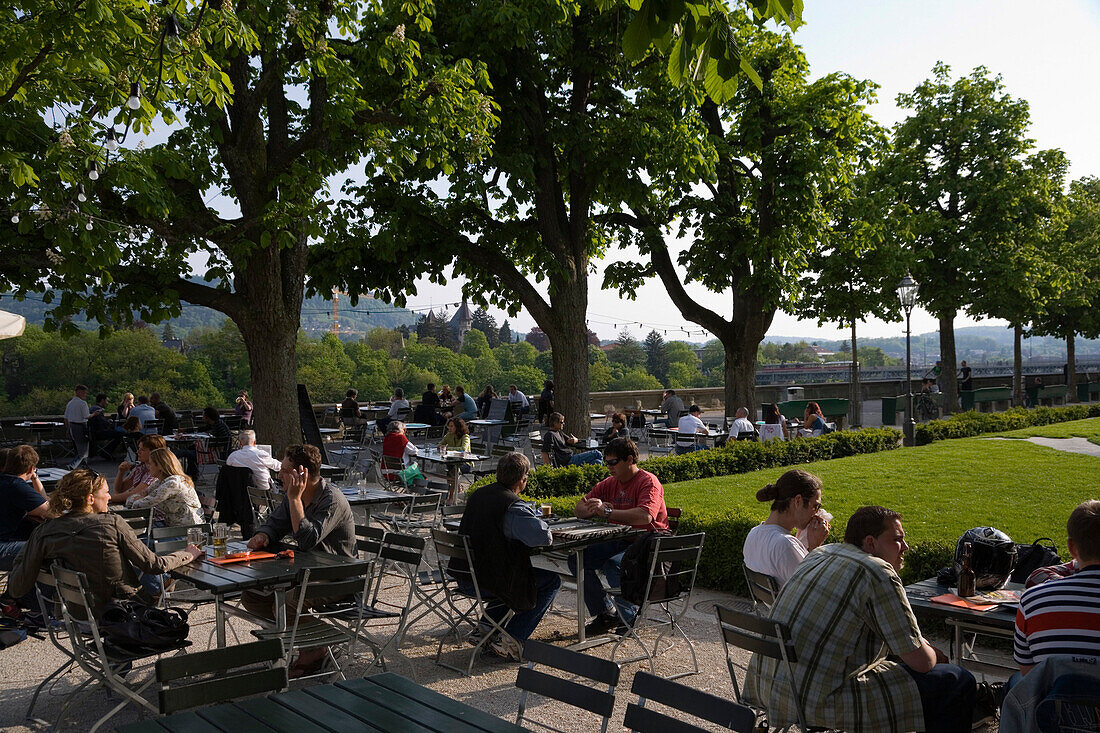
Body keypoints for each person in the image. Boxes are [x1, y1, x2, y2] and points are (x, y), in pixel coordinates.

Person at [746, 506, 977, 733]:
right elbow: (921, 662)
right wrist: (937, 655)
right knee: (956, 681)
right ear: (870, 543)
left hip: (769, 687)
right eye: (897, 539)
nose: (906, 547)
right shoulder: (877, 572)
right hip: (816, 701)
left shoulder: (820, 554)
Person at [8, 470, 203, 614]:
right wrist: (188, 553)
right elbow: (154, 565)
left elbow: (17, 587)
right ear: (91, 498)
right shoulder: (111, 523)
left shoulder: (44, 531)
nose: (110, 497)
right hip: (124, 611)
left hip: (75, 613)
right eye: (106, 492)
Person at [243, 444, 356, 676]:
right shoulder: (293, 496)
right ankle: (315, 643)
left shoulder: (331, 499)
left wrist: (295, 499)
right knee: (252, 596)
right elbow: (275, 522)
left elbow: (307, 540)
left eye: (285, 471)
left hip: (338, 577)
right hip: (307, 573)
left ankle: (314, 649)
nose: (279, 475)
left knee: (288, 600)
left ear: (301, 474)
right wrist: (263, 535)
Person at [456, 452, 560, 661]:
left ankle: (486, 629)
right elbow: (542, 537)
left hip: (465, 574)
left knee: (511, 576)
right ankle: (512, 640)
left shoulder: (478, 495)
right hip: (488, 581)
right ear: (523, 479)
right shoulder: (513, 506)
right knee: (549, 581)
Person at [571, 437, 668, 633]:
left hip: (648, 544)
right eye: (607, 462)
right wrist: (594, 509)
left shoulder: (648, 481)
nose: (609, 467)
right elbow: (579, 509)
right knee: (578, 559)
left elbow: (645, 516)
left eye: (613, 462)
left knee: (616, 564)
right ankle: (605, 612)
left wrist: (608, 513)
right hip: (620, 540)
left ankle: (628, 615)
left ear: (630, 459)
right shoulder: (609, 483)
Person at [1010, 500, 1100, 691]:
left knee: (1016, 684)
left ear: (1072, 547)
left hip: (1053, 716)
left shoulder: (1033, 601)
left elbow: (1030, 677)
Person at [742, 469, 829, 587]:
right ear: (798, 501)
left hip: (770, 605)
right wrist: (815, 546)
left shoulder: (753, 533)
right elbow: (814, 589)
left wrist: (799, 541)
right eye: (815, 506)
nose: (816, 513)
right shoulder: (785, 545)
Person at [0, 446, 52, 571]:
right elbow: (50, 512)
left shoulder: (5, 481)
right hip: (2, 549)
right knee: (51, 548)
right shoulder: (17, 486)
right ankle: (44, 591)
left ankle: (18, 590)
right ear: (31, 469)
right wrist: (35, 477)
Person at [126, 447, 204, 528]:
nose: (148, 467)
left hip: (187, 531)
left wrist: (138, 498)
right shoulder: (161, 481)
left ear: (159, 466)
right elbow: (136, 499)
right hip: (173, 526)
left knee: (134, 532)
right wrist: (139, 498)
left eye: (150, 464)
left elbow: (140, 505)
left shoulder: (173, 483)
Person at [89, 393, 125, 458]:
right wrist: (109, 422)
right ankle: (107, 452)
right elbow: (103, 423)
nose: (107, 403)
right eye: (106, 401)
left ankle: (106, 452)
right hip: (99, 433)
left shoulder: (92, 407)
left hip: (93, 432)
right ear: (102, 400)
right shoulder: (98, 409)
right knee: (120, 434)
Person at [63, 383, 91, 470]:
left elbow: (66, 418)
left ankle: (85, 466)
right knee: (83, 451)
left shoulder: (70, 403)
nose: (85, 395)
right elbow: (86, 416)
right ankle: (72, 465)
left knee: (79, 448)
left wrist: (68, 429)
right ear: (78, 392)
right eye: (84, 393)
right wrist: (94, 414)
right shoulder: (83, 403)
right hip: (81, 426)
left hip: (72, 426)